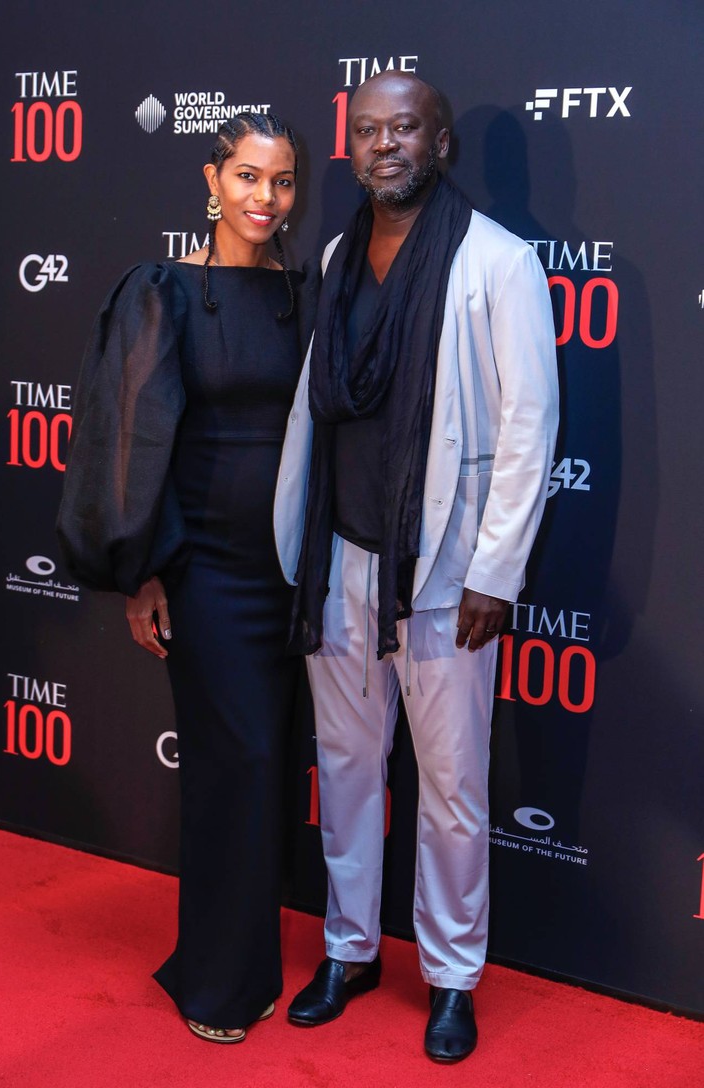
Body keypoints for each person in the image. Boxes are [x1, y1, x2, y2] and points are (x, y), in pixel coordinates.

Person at [274, 72, 558, 1063]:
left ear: (440, 143)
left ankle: (450, 974)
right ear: (348, 145)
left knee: (450, 787)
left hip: (443, 572)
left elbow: (528, 427)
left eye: (403, 128)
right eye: (366, 129)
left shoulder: (498, 263)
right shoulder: (340, 254)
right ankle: (349, 949)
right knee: (347, 772)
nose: (382, 143)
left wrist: (496, 571)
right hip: (339, 558)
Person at [57, 112, 313, 1044]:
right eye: (247, 177)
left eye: (281, 184)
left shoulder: (302, 294)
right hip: (204, 570)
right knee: (233, 763)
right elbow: (129, 439)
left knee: (266, 764)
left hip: (292, 569)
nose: (263, 199)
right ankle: (219, 978)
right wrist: (145, 574)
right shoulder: (159, 288)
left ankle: (237, 953)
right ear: (212, 178)